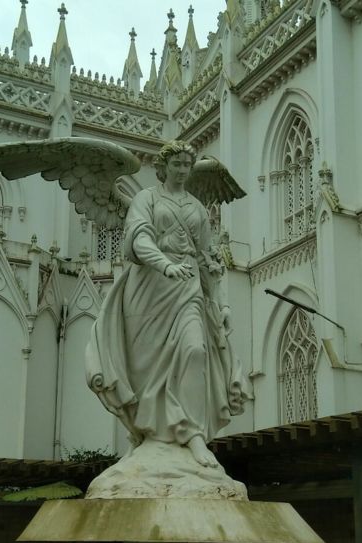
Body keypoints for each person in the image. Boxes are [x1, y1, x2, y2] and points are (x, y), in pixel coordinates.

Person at [86, 140, 249, 468]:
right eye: (177, 164)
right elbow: (139, 238)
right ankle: (146, 436)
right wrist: (164, 264)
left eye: (187, 164)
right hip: (148, 291)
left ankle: (192, 435)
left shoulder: (197, 208)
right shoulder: (146, 199)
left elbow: (209, 260)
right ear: (163, 167)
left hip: (187, 289)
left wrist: (223, 305)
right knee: (144, 371)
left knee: (195, 351)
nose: (183, 170)